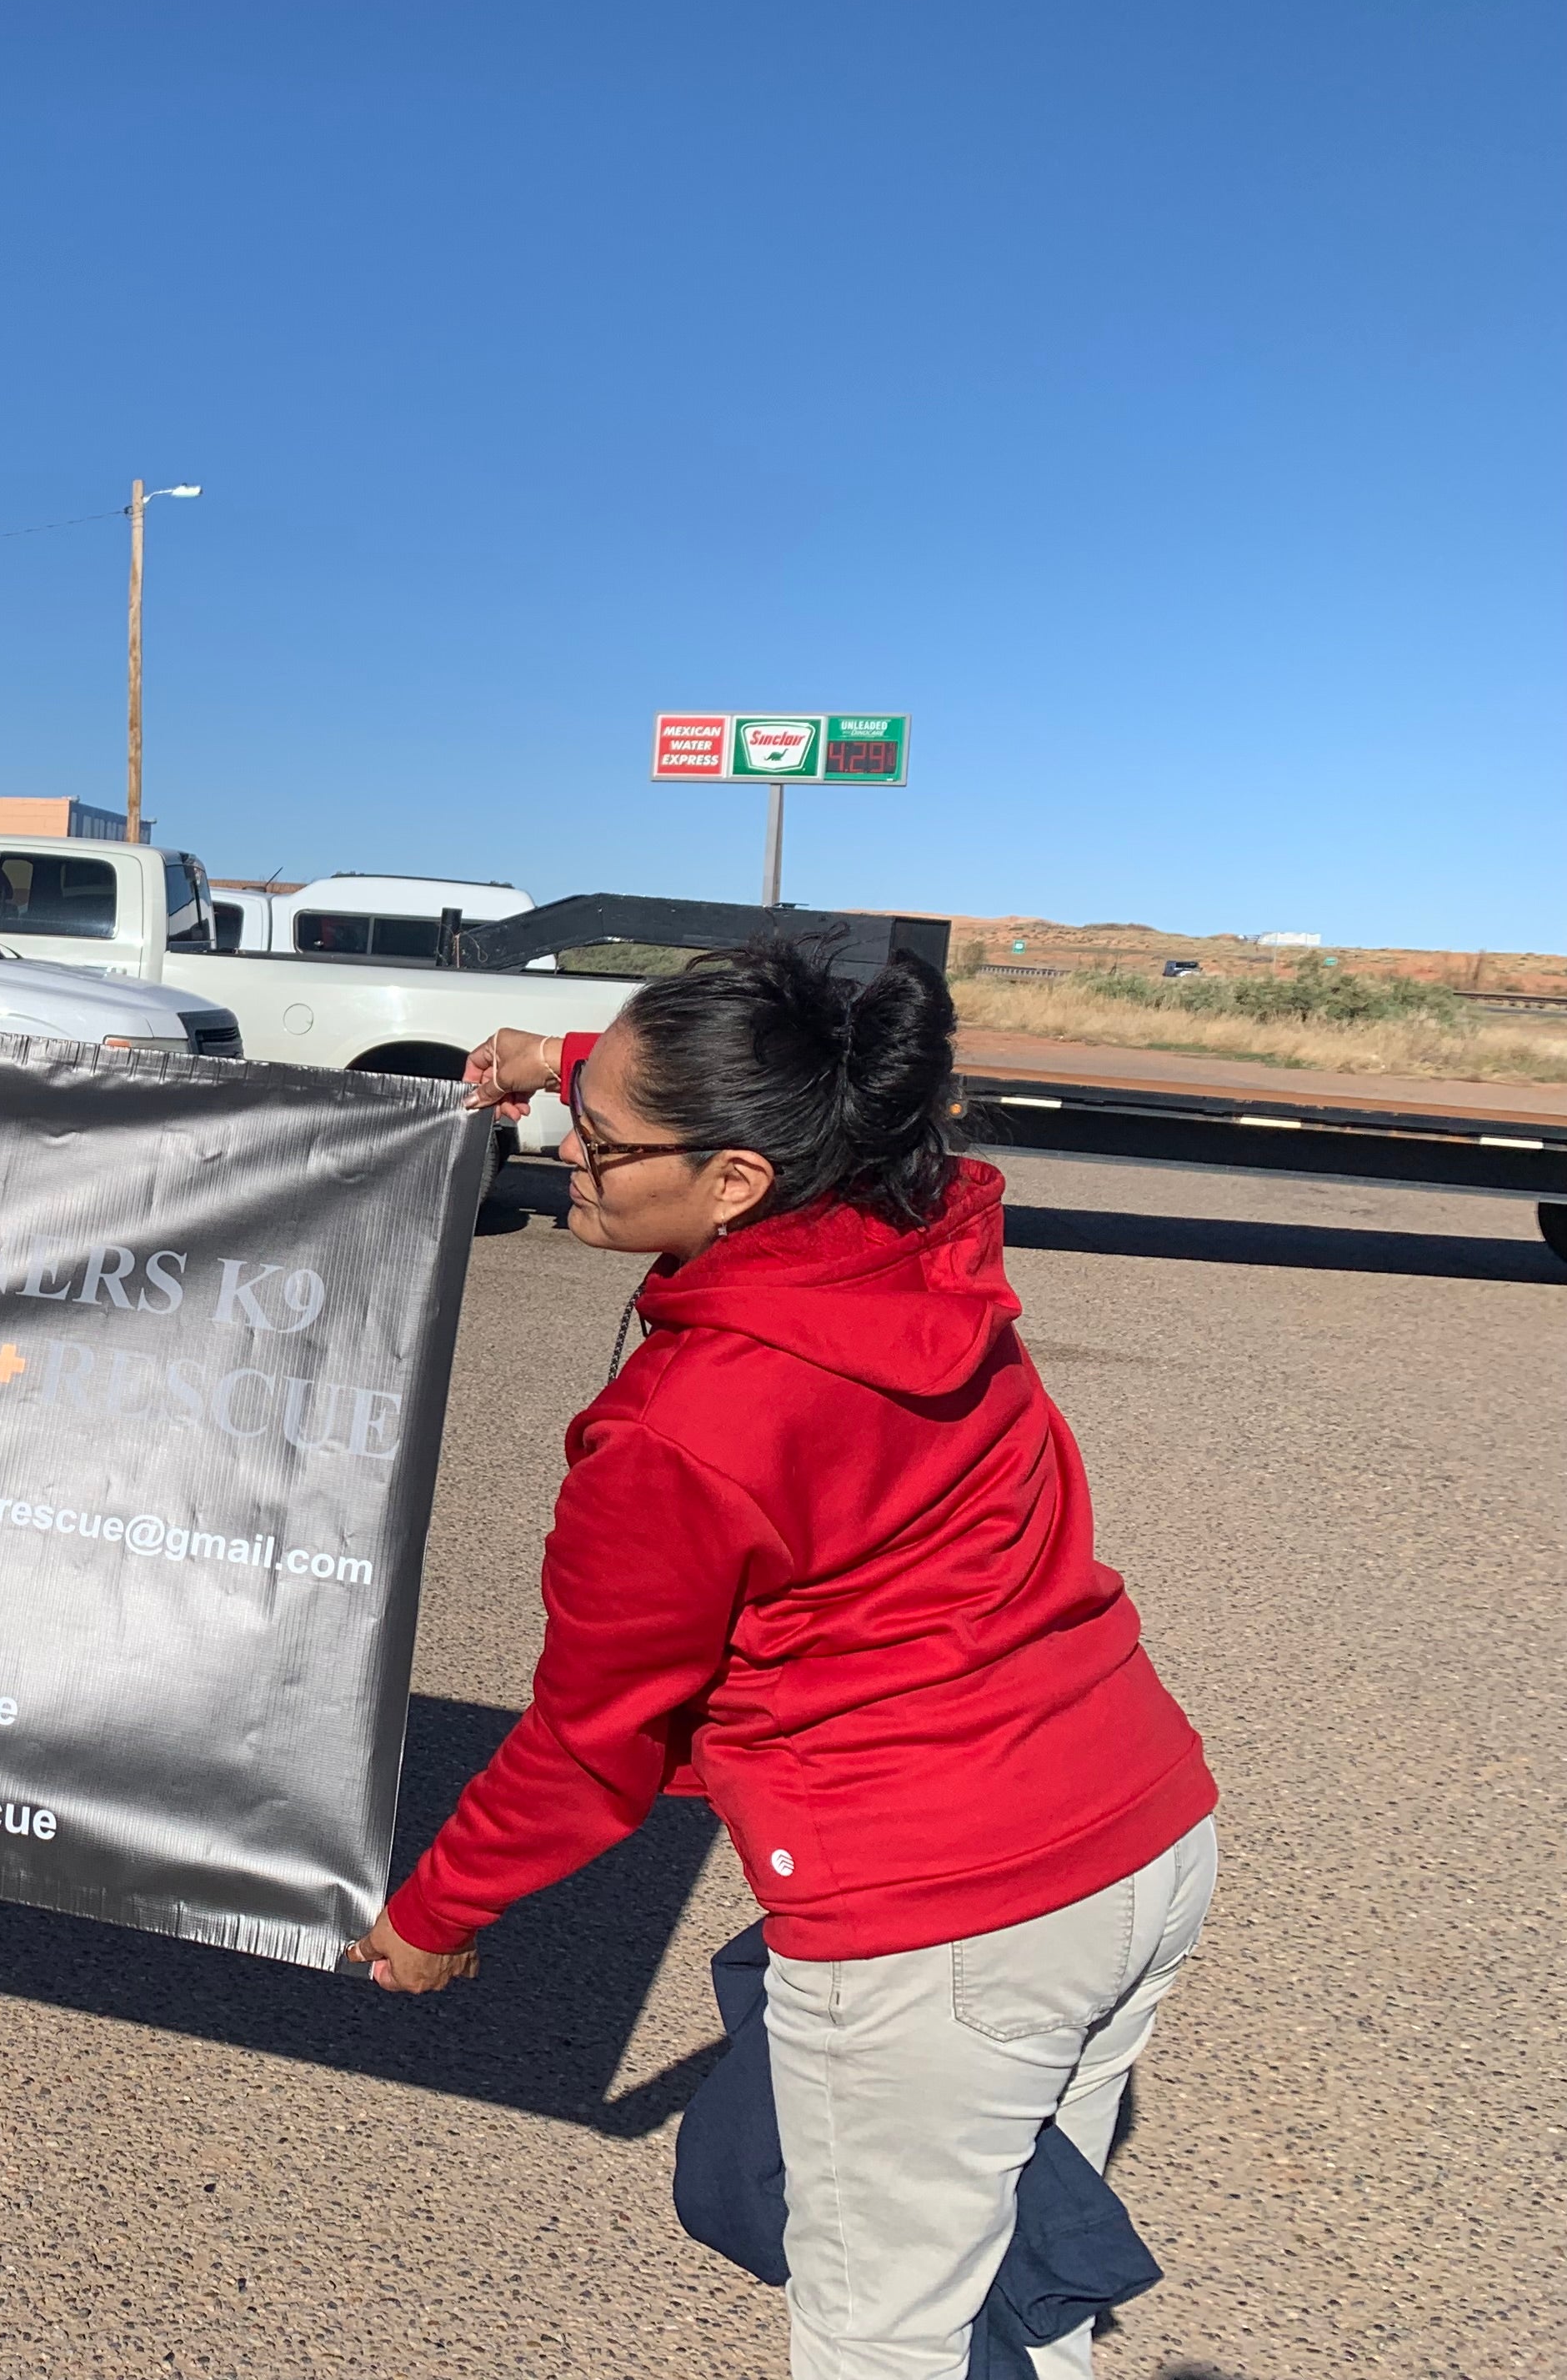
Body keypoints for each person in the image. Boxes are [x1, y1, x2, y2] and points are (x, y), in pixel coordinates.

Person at [349, 942, 1218, 2380]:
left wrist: (435, 1909)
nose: (570, 1147)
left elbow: (588, 1739)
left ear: (738, 1180)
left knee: (881, 2329)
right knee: (1014, 2276)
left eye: (603, 1138)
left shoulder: (683, 1429)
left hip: (943, 1911)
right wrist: (542, 1056)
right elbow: (722, 1109)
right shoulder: (911, 1221)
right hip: (1139, 1830)